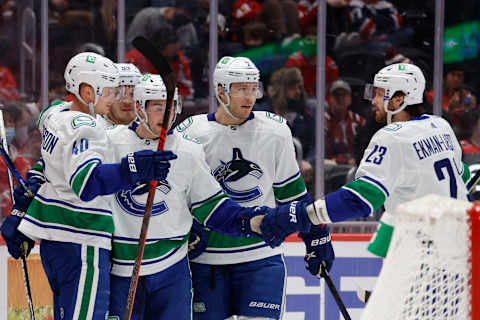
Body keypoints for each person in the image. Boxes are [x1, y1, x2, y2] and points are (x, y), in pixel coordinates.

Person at [106, 73, 333, 319]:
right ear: (140, 107)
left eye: (171, 107)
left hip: (174, 269)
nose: (167, 115)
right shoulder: (110, 144)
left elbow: (214, 207)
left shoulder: (186, 150)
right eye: (159, 107)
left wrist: (260, 221)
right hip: (130, 268)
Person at [0, 52, 177, 320]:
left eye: (130, 92)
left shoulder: (63, 116)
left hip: (95, 244)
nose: (123, 99)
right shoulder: (90, 125)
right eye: (117, 91)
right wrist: (21, 210)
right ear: (89, 91)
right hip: (85, 238)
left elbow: (54, 146)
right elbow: (73, 175)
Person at [256, 63, 471, 263]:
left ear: (399, 100)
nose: (374, 100)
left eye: (379, 94)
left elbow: (360, 198)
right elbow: (463, 178)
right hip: (464, 242)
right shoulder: (441, 126)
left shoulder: (392, 137)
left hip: (427, 252)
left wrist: (302, 215)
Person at [175, 56, 334, 320]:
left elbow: (292, 194)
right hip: (207, 262)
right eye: (240, 89)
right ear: (221, 90)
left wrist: (316, 236)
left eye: (253, 88)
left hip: (261, 257)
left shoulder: (275, 131)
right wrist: (188, 227)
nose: (249, 96)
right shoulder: (191, 134)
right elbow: (178, 195)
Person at [325, 79, 365, 165]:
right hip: (330, 166)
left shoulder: (358, 121)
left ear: (350, 99)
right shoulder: (323, 121)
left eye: (344, 95)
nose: (340, 98)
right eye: (336, 95)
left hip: (354, 165)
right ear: (330, 99)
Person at [96, 62, 142, 128]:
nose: (127, 101)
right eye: (118, 94)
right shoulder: (92, 129)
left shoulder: (153, 132)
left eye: (133, 94)